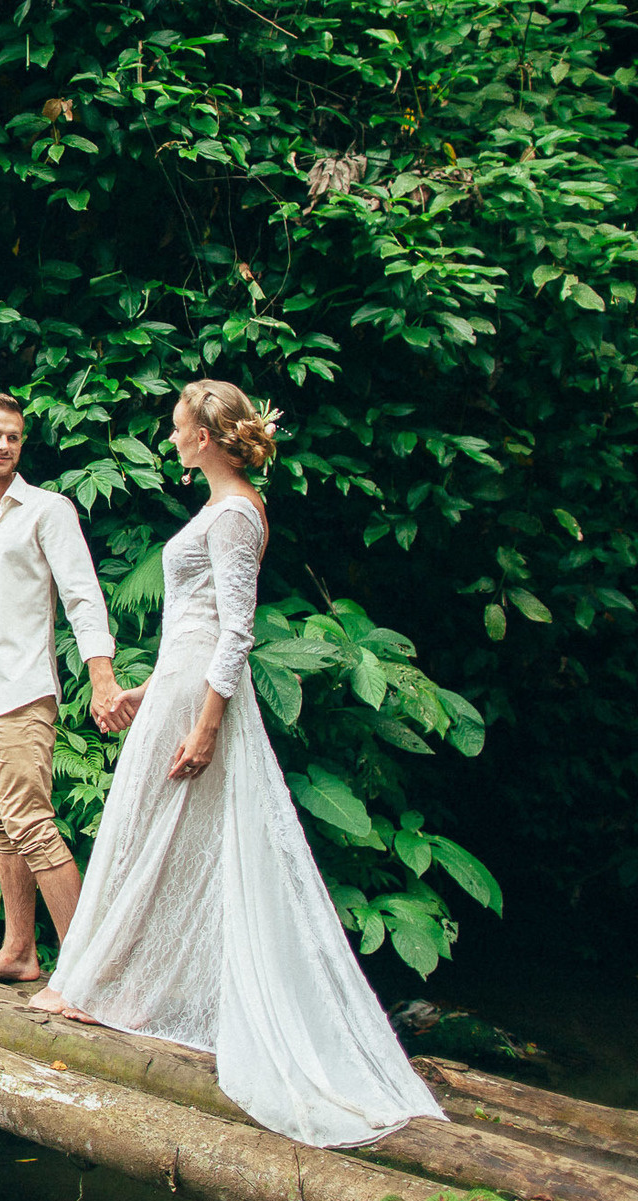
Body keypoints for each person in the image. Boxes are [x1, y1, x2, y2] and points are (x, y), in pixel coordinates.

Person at [33, 380, 443, 1149]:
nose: (174, 437)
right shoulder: (219, 508)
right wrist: (141, 689)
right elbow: (195, 625)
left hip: (204, 697)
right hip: (179, 686)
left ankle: (97, 986)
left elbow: (236, 631)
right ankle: (112, 985)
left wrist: (207, 724)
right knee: (151, 832)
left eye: (181, 427)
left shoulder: (235, 515)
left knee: (162, 833)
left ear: (209, 436)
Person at [0, 393, 131, 985]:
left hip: (25, 690)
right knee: (0, 826)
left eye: (12, 436)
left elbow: (83, 595)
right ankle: (19, 952)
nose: (3, 445)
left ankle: (91, 976)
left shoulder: (46, 510)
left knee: (31, 823)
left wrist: (102, 676)